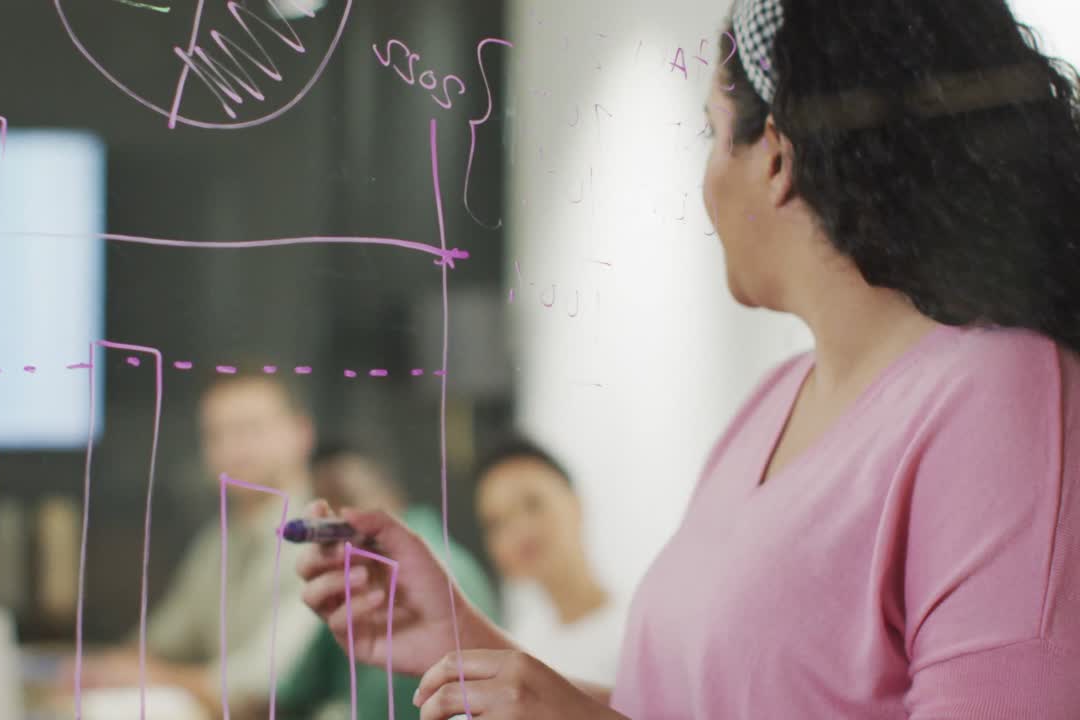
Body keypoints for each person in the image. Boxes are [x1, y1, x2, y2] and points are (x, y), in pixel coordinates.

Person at [293, 1, 1080, 718]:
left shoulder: (1003, 395)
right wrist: (466, 645)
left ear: (775, 156)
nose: (703, 179)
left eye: (711, 133)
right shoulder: (777, 400)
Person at [75, 370, 321, 718]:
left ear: (301, 433)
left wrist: (148, 675)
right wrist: (109, 669)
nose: (232, 448)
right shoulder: (218, 542)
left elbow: (255, 690)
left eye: (250, 430)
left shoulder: (323, 542)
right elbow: (162, 641)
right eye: (216, 435)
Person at [277, 442, 499, 720]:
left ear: (388, 492)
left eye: (348, 498)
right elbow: (297, 691)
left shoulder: (439, 572)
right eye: (330, 504)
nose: (340, 515)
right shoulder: (359, 580)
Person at [472, 436, 625, 687]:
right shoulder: (519, 651)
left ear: (576, 503)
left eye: (532, 504)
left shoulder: (643, 627)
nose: (520, 530)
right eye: (497, 523)